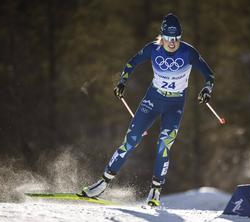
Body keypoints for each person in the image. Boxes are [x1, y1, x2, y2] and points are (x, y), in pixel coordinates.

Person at [77, 13, 214, 207]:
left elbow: (209, 75)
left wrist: (207, 89)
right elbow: (131, 63)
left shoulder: (189, 52)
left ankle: (155, 192)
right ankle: (102, 183)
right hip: (153, 100)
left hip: (175, 105)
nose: (172, 43)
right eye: (168, 38)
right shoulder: (153, 49)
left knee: (163, 145)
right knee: (131, 140)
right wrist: (122, 82)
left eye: (176, 38)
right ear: (162, 36)